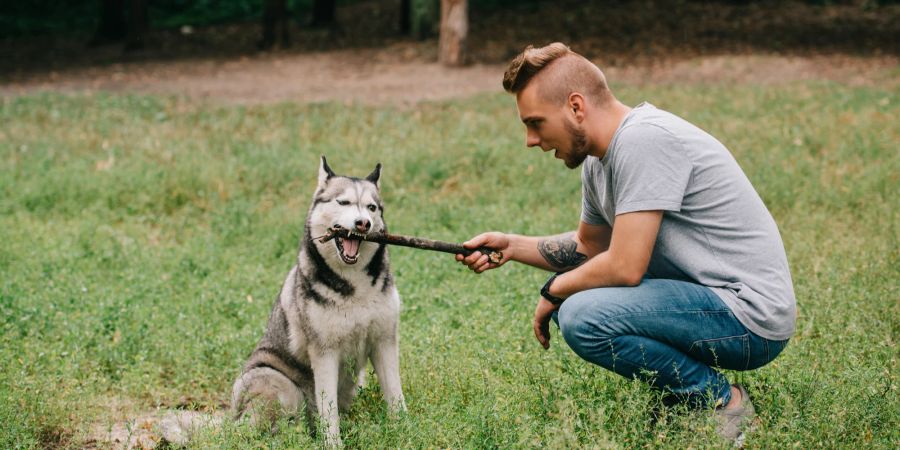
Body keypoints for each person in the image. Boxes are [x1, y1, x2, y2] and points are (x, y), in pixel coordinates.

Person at [456, 42, 795, 443]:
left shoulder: (644, 140)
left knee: (582, 315)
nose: (531, 140)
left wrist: (554, 289)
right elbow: (590, 246)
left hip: (749, 315)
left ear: (576, 107)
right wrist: (512, 246)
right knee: (577, 310)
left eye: (535, 122)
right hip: (709, 302)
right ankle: (686, 397)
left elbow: (625, 265)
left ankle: (722, 401)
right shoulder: (600, 161)